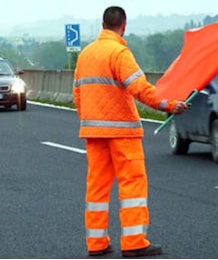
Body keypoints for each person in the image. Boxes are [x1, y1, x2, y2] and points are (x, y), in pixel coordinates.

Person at [73, 6, 188, 257]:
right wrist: (168, 105)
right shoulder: (119, 52)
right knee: (132, 185)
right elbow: (140, 88)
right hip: (123, 132)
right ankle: (134, 242)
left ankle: (96, 244)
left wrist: (90, 120)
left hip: (94, 133)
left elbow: (78, 93)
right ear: (123, 26)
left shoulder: (85, 54)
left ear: (102, 24)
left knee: (97, 188)